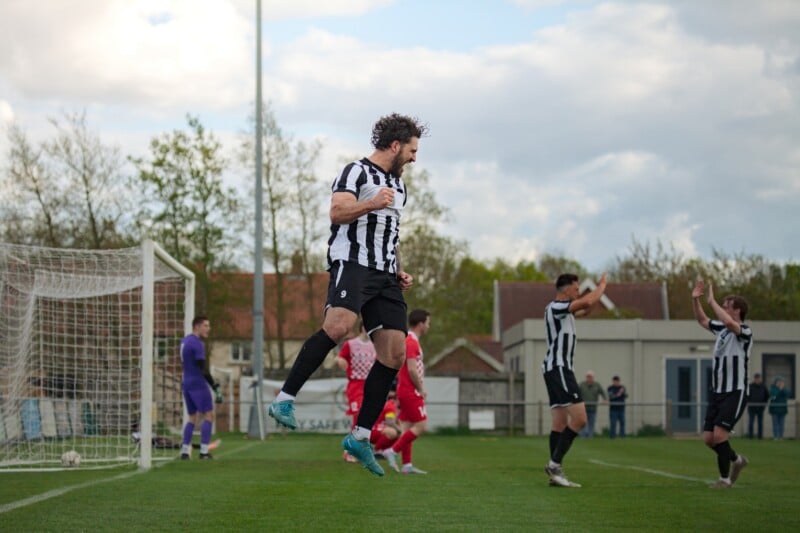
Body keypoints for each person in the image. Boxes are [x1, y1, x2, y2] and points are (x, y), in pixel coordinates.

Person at [267, 113, 428, 477]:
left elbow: (390, 231)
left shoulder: (399, 187)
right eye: (413, 151)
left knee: (395, 352)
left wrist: (397, 268)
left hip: (385, 274)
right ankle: (284, 400)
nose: (415, 158)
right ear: (395, 145)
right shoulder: (355, 172)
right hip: (352, 263)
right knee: (339, 326)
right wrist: (371, 203)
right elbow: (337, 212)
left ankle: (359, 436)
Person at [543, 273, 608, 488]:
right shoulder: (556, 307)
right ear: (565, 289)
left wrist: (595, 297)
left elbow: (587, 308)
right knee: (580, 419)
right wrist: (601, 286)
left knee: (560, 423)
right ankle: (554, 464)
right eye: (576, 287)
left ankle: (555, 474)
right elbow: (588, 301)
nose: (578, 291)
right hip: (559, 368)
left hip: (556, 369)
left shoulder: (566, 311)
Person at [691, 280, 751, 488]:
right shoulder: (722, 330)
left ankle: (724, 479)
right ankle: (737, 460)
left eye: (726, 306)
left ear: (737, 311)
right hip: (718, 392)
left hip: (735, 391)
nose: (722, 310)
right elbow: (702, 320)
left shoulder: (744, 332)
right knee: (709, 439)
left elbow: (729, 324)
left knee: (719, 436)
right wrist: (696, 300)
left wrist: (712, 301)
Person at [383, 309, 431, 475]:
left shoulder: (410, 340)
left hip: (404, 390)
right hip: (410, 391)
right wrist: (421, 389)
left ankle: (407, 465)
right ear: (420, 324)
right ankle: (392, 451)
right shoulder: (411, 341)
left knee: (407, 427)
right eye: (428, 323)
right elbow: (411, 369)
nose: (428, 326)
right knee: (421, 425)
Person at [179, 316, 223, 460]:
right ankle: (204, 452)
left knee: (192, 417)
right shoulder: (198, 344)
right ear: (197, 326)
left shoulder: (184, 341)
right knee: (209, 416)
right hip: (198, 383)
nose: (208, 329)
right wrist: (214, 386)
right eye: (206, 325)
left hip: (186, 382)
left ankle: (185, 451)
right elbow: (203, 369)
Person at [335, 320, 377, 462]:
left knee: (368, 417)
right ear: (363, 327)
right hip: (356, 384)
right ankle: (350, 451)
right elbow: (339, 357)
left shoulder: (375, 346)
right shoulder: (351, 344)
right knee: (357, 416)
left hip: (371, 384)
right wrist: (340, 361)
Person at [370, 384, 401, 457]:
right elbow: (389, 422)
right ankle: (375, 451)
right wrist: (400, 430)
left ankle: (385, 451)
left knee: (398, 433)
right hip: (373, 429)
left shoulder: (393, 406)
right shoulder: (391, 406)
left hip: (376, 429)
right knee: (393, 432)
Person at [578, 371, 606, 438]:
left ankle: (590, 436)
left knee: (591, 423)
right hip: (583, 408)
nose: (589, 378)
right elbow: (577, 393)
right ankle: (582, 436)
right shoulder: (581, 384)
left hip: (593, 408)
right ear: (586, 377)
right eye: (588, 377)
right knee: (583, 423)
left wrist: (605, 399)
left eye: (590, 377)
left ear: (593, 377)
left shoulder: (597, 385)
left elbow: (602, 392)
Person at [747, 373, 769, 439]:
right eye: (756, 378)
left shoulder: (763, 386)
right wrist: (749, 402)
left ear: (760, 379)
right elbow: (747, 396)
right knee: (751, 422)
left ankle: (760, 437)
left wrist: (764, 404)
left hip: (760, 408)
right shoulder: (750, 386)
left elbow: (767, 396)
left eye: (758, 378)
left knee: (760, 423)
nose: (757, 380)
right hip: (751, 408)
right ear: (754, 379)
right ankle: (750, 436)